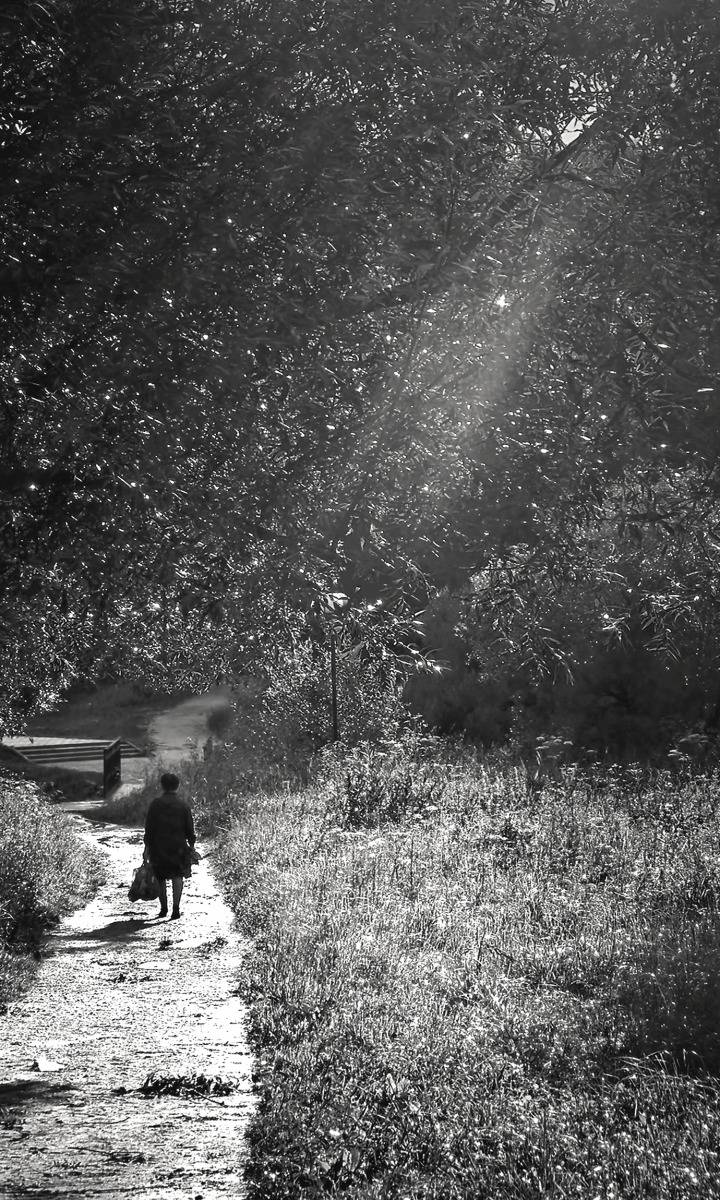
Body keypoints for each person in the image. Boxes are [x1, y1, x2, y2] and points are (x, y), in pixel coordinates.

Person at [143, 772, 197, 920]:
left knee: (160, 877)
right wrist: (191, 845)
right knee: (178, 876)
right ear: (177, 786)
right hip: (178, 846)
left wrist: (147, 847)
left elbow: (149, 828)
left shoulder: (155, 804)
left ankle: (163, 909)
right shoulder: (183, 805)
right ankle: (176, 909)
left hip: (159, 846)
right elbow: (189, 828)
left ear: (162, 786)